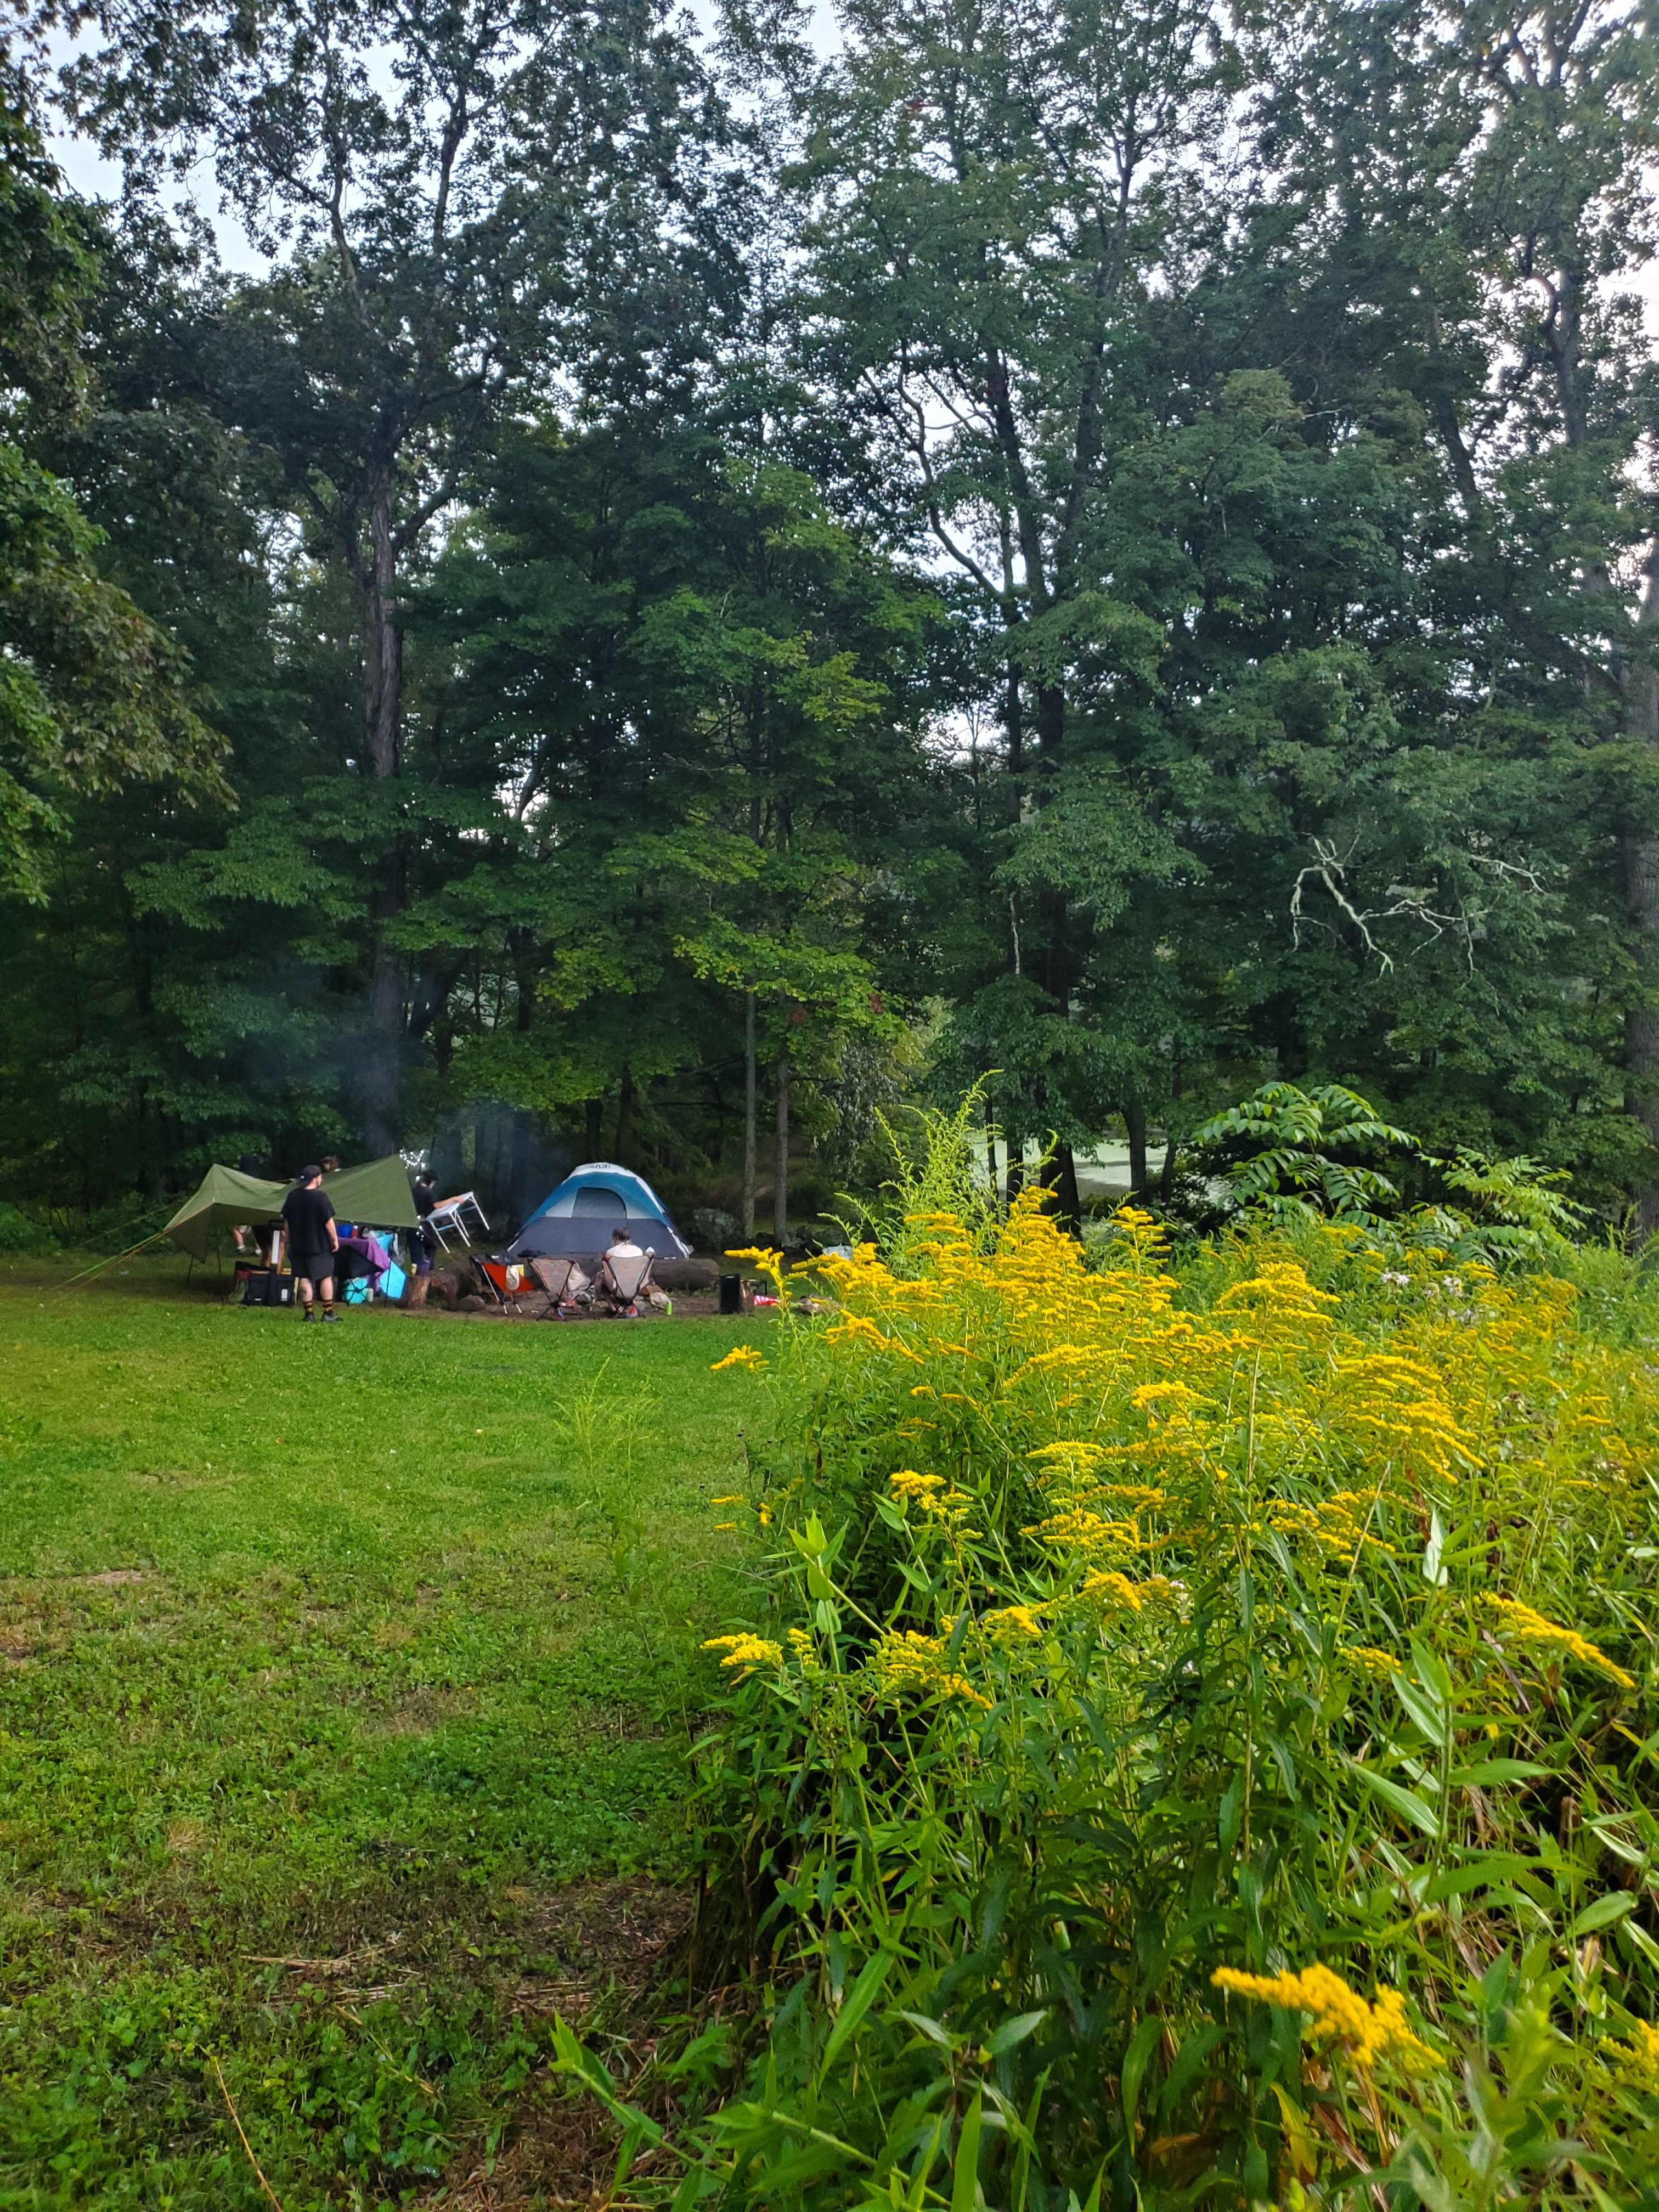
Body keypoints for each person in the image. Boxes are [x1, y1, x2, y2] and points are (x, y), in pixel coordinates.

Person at [281, 1165, 340, 1322]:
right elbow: (328, 1221)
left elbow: (287, 1221)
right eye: (320, 1178)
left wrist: (287, 1238)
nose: (321, 1180)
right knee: (326, 1276)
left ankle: (309, 1314)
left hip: (299, 1245)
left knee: (304, 1277)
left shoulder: (293, 1196)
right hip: (320, 1244)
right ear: (315, 1179)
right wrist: (335, 1239)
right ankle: (328, 1313)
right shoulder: (321, 1197)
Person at [409, 1168, 438, 1307]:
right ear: (432, 1182)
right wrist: (454, 1200)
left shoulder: (414, 1190)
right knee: (431, 1247)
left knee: (416, 1255)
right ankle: (426, 1276)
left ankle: (417, 1282)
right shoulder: (428, 1192)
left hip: (411, 1225)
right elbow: (437, 1206)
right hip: (424, 1225)